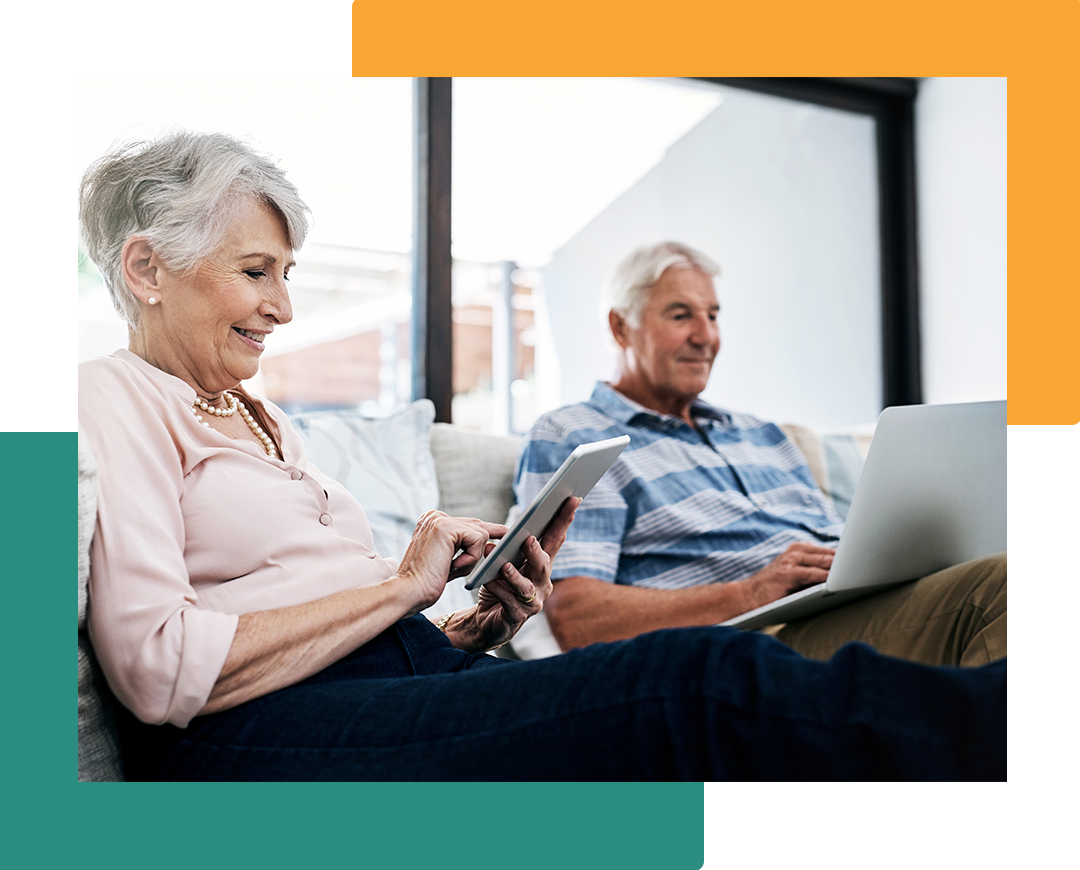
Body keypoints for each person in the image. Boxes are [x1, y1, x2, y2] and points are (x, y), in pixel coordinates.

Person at [78, 131, 1005, 781]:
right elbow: (160, 669)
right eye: (255, 272)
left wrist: (460, 628)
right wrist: (407, 584)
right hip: (248, 740)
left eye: (287, 275)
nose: (283, 307)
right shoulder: (109, 398)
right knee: (690, 688)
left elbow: (326, 624)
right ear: (147, 269)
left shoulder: (258, 416)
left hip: (399, 677)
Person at [514, 241, 1007, 665]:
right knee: (1010, 586)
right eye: (681, 314)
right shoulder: (576, 433)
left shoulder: (762, 434)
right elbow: (577, 617)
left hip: (857, 603)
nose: (706, 337)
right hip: (756, 642)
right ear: (621, 328)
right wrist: (750, 592)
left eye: (712, 315)